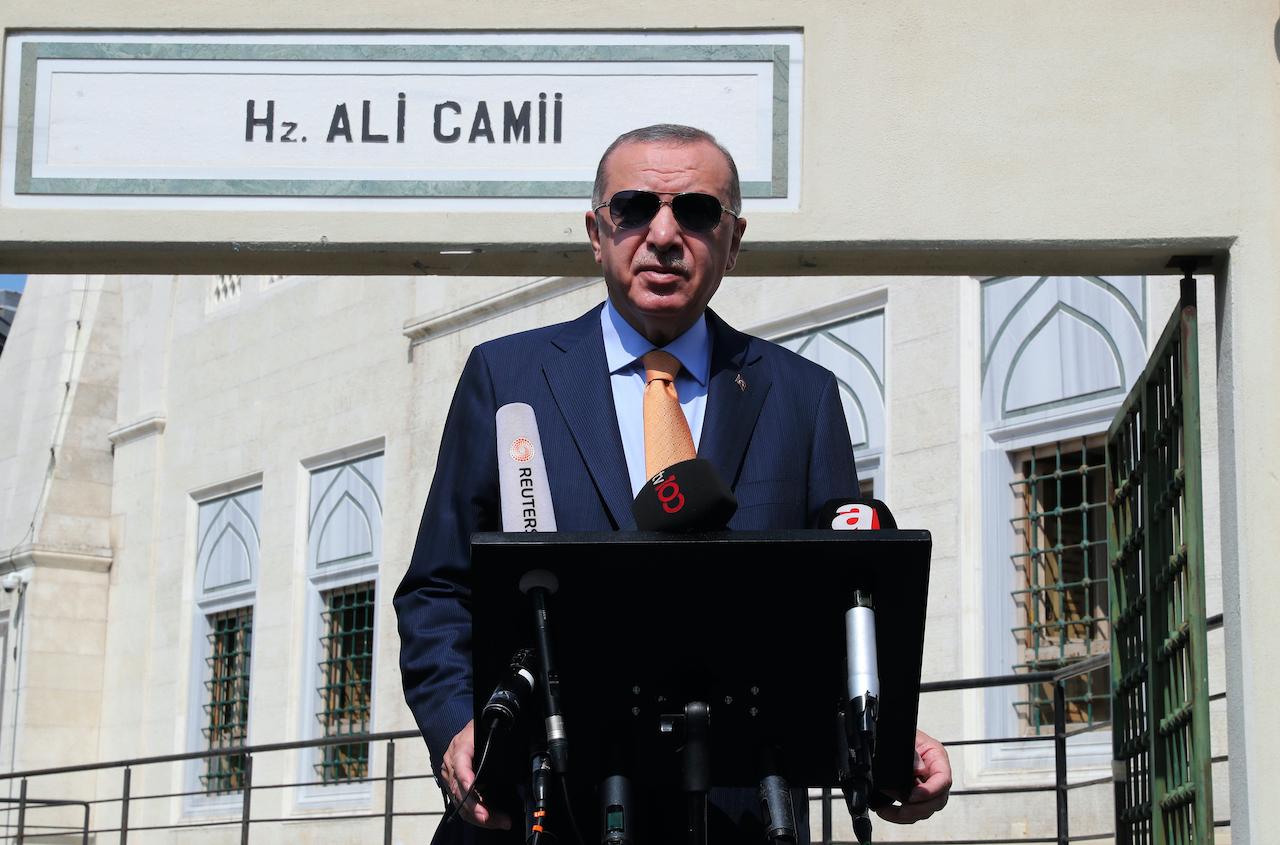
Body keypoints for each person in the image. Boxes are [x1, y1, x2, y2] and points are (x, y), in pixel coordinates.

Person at [395, 124, 951, 842]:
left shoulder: (802, 397)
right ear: (596, 233)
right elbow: (437, 589)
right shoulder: (507, 379)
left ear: (733, 240)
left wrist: (882, 740)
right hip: (542, 807)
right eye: (633, 209)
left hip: (736, 815)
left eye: (695, 211)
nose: (662, 235)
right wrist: (456, 728)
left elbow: (841, 605)